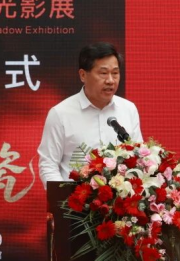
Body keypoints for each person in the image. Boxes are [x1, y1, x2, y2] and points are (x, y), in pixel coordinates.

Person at [38, 42, 143, 187]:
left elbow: (139, 157)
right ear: (83, 75)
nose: (110, 80)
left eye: (115, 73)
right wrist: (63, 196)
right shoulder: (60, 113)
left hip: (120, 199)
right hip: (75, 198)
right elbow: (48, 164)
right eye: (103, 73)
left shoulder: (128, 109)